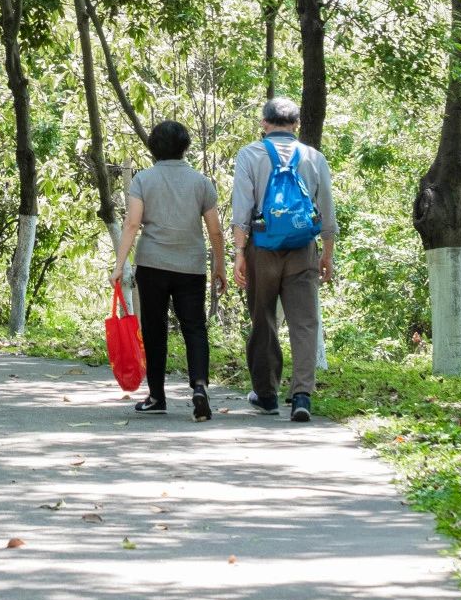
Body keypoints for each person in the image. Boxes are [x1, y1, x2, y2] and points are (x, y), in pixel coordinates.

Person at [111, 119, 227, 420]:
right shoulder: (201, 182)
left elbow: (132, 224)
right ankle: (199, 387)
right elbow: (215, 230)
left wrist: (119, 264)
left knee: (154, 329)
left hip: (152, 264)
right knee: (195, 327)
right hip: (191, 265)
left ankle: (157, 396)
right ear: (185, 147)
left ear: (153, 147)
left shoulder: (143, 180)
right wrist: (219, 266)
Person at [231, 95, 337, 423]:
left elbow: (241, 208)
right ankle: (302, 394)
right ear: (296, 125)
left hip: (262, 247)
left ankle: (266, 395)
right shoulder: (313, 157)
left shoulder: (250, 154)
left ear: (264, 123)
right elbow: (327, 209)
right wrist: (327, 254)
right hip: (303, 247)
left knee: (263, 317)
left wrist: (239, 253)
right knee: (305, 322)